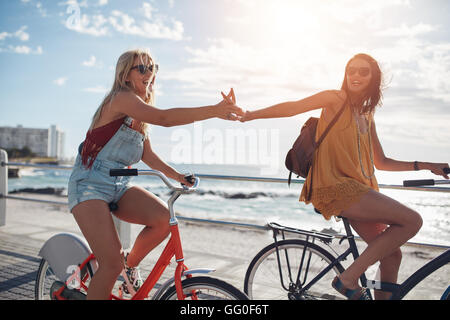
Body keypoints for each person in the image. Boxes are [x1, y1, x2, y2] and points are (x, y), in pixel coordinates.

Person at [239, 53, 449, 299]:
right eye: (352, 70)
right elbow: (294, 107)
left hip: (358, 191)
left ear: (373, 78)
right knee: (413, 221)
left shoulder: (367, 114)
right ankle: (347, 279)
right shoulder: (335, 99)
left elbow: (381, 162)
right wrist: (251, 114)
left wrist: (425, 165)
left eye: (363, 71)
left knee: (392, 255)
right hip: (335, 187)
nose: (356, 76)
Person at [67, 48, 242, 300]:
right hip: (88, 184)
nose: (149, 73)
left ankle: (129, 264)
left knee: (163, 220)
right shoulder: (121, 98)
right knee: (109, 265)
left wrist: (177, 176)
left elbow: (147, 155)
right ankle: (118, 268)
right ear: (126, 75)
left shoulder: (139, 112)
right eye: (142, 68)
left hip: (118, 183)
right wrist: (214, 110)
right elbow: (165, 118)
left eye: (153, 68)